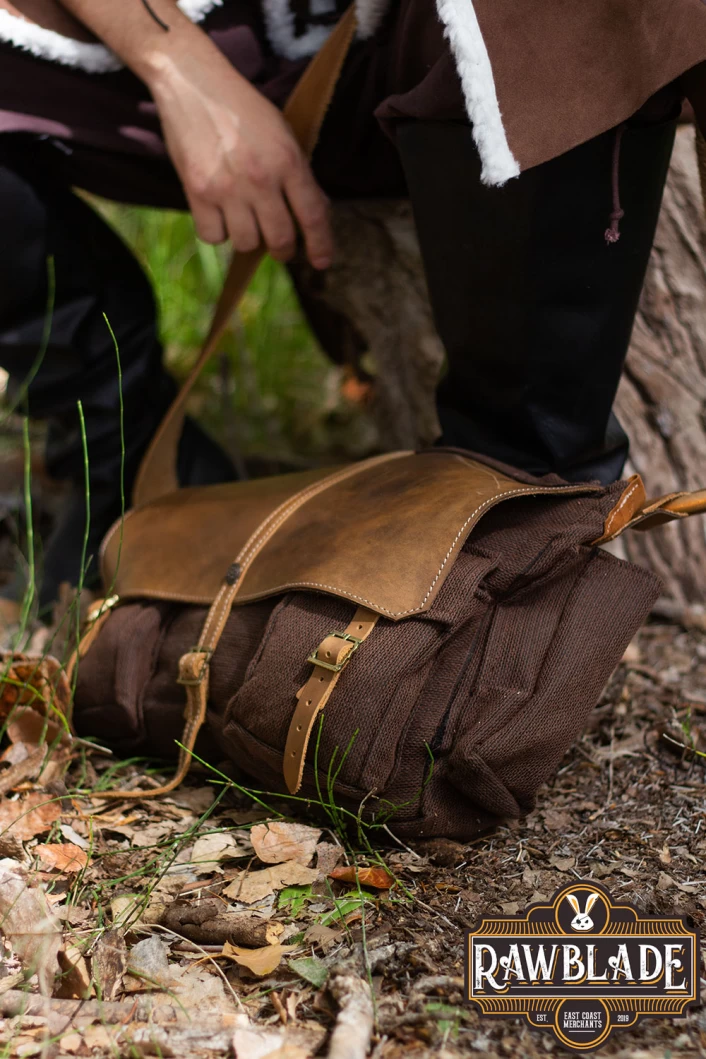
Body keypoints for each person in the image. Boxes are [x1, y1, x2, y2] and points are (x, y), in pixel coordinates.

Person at [1, 0, 706, 614]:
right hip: (166, 47)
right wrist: (175, 65)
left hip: (435, 43)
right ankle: (120, 450)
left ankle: (524, 509)